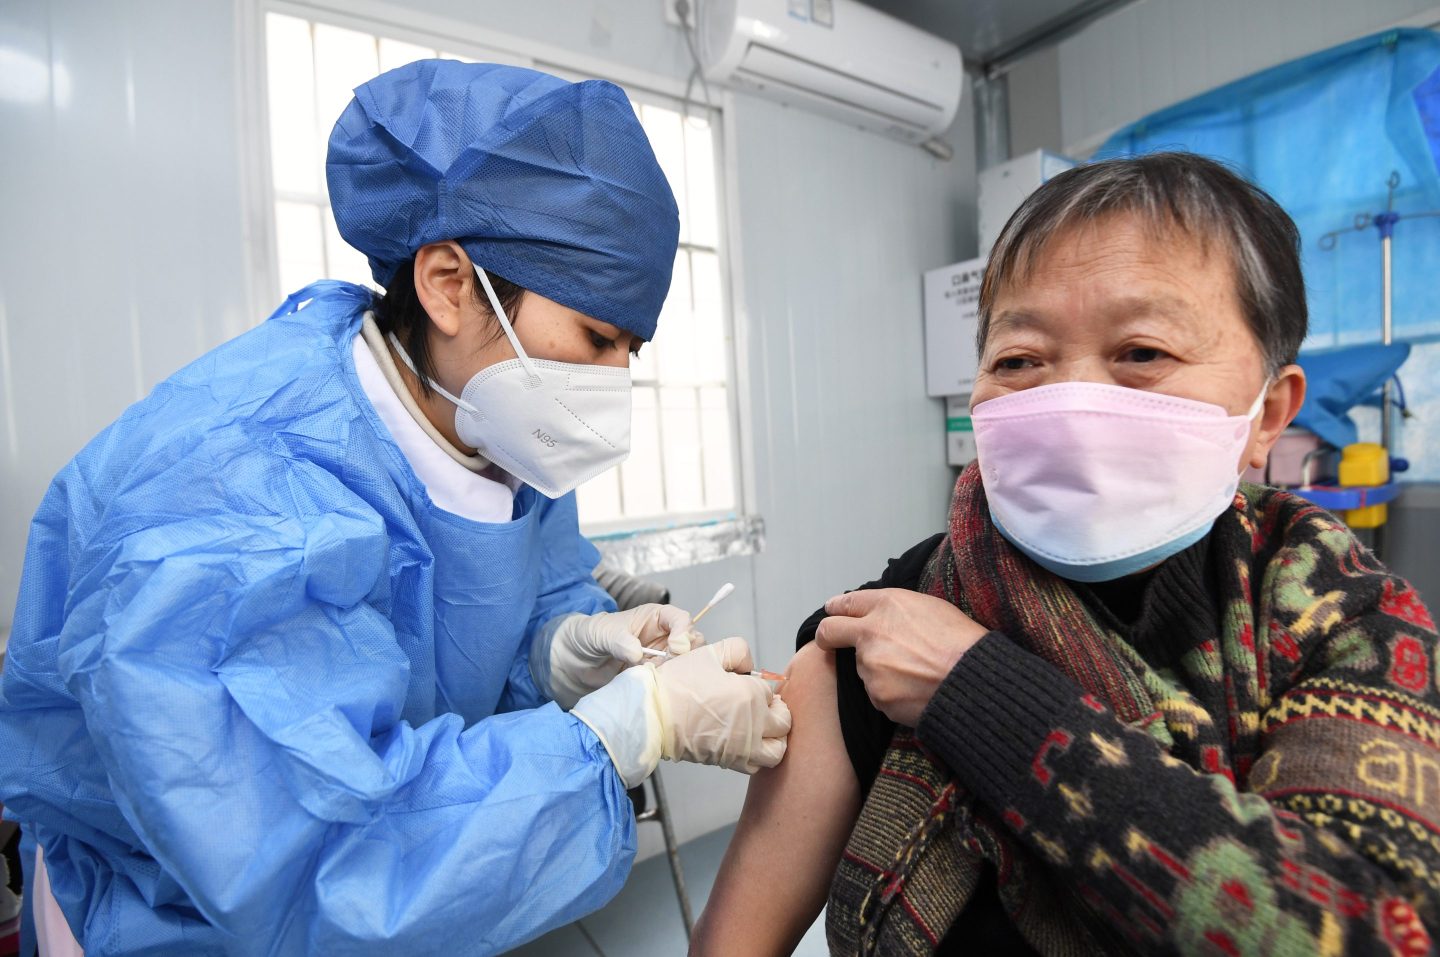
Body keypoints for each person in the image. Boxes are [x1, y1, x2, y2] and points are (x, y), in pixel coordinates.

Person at [0, 60, 789, 957]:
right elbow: (317, 867)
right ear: (449, 283)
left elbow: (493, 612)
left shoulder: (498, 429)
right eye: (595, 338)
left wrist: (557, 653)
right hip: (175, 923)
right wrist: (627, 730)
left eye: (631, 349)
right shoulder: (235, 491)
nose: (610, 386)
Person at [693, 152, 1440, 956]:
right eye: (1019, 361)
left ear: (1270, 413)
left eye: (1142, 352)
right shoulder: (883, 629)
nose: (1070, 400)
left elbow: (1380, 930)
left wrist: (977, 692)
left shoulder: (1344, 616)